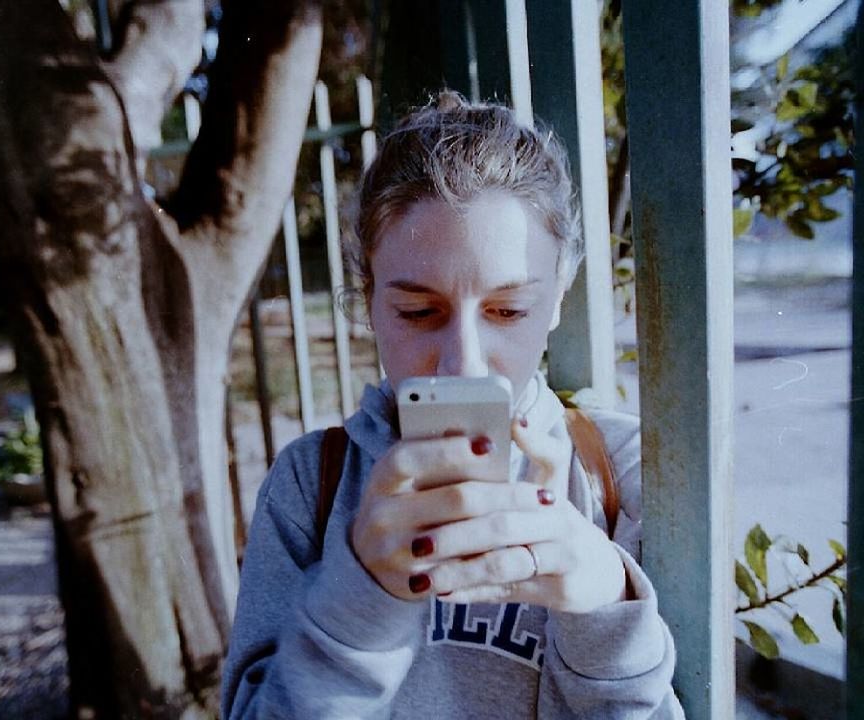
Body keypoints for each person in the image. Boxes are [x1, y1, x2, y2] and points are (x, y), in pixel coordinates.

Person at [221, 93, 682, 718]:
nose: (463, 363)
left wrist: (606, 603)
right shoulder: (311, 485)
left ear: (558, 297)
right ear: (370, 299)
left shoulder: (621, 472)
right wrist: (358, 600)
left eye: (508, 310)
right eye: (418, 312)